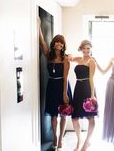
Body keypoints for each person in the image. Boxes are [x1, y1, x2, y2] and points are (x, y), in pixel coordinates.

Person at [39, 22, 71, 150]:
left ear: (63, 46)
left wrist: (65, 93)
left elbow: (65, 77)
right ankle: (55, 137)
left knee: (63, 114)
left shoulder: (65, 59)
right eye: (57, 42)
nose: (59, 44)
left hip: (62, 86)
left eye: (61, 43)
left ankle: (61, 138)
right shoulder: (49, 55)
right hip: (51, 86)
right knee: (53, 114)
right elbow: (42, 42)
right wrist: (38, 25)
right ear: (54, 43)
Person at [69, 40, 97, 151]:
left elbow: (91, 79)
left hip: (87, 89)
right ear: (81, 49)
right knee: (75, 117)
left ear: (91, 49)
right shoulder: (79, 59)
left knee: (90, 117)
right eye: (84, 48)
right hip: (78, 89)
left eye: (88, 48)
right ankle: (79, 140)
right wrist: (69, 55)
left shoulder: (91, 61)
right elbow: (69, 58)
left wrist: (92, 95)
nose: (86, 51)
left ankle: (86, 142)